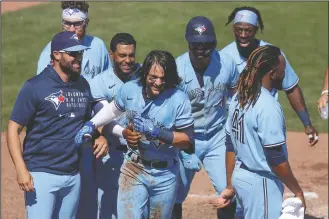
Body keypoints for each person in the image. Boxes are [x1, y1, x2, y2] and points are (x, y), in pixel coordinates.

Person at [75, 50, 195, 219]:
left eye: (163, 78)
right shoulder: (130, 90)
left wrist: (157, 132)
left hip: (165, 174)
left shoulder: (179, 99)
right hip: (134, 168)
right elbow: (112, 110)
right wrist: (91, 124)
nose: (158, 83)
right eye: (153, 77)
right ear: (145, 73)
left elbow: (188, 141)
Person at [6, 31, 108, 219]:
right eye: (73, 53)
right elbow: (13, 128)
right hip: (41, 174)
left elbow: (85, 123)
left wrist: (98, 135)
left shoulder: (82, 85)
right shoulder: (35, 86)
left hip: (72, 175)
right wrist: (21, 169)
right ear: (56, 54)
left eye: (80, 53)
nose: (79, 57)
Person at [211, 45, 306, 219]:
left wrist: (231, 184)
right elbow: (275, 158)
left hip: (241, 177)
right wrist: (297, 190)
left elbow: (230, 144)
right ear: (272, 73)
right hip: (261, 183)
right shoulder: (268, 106)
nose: (284, 74)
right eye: (282, 69)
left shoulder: (240, 97)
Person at [221, 6, 319, 146]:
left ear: (256, 30)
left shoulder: (272, 55)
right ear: (233, 29)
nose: (242, 35)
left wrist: (307, 124)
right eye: (238, 30)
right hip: (237, 125)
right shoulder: (223, 57)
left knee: (273, 161)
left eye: (248, 30)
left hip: (266, 121)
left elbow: (291, 88)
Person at [172, 16, 239, 219]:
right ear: (189, 43)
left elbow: (236, 96)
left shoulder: (226, 64)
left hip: (217, 136)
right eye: (196, 44)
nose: (201, 49)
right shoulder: (177, 68)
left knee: (228, 191)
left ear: (214, 43)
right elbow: (170, 108)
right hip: (186, 138)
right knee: (174, 193)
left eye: (206, 44)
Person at [89, 33, 140, 219]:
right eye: (122, 55)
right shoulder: (99, 83)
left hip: (140, 153)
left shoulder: (144, 76)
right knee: (107, 210)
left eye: (131, 55)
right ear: (112, 55)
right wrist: (124, 133)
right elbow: (104, 119)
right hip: (111, 154)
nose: (128, 60)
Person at [37, 1, 110, 80]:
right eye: (67, 23)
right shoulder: (50, 51)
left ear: (86, 23)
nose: (71, 29)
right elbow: (42, 86)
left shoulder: (98, 46)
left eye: (77, 24)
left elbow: (108, 79)